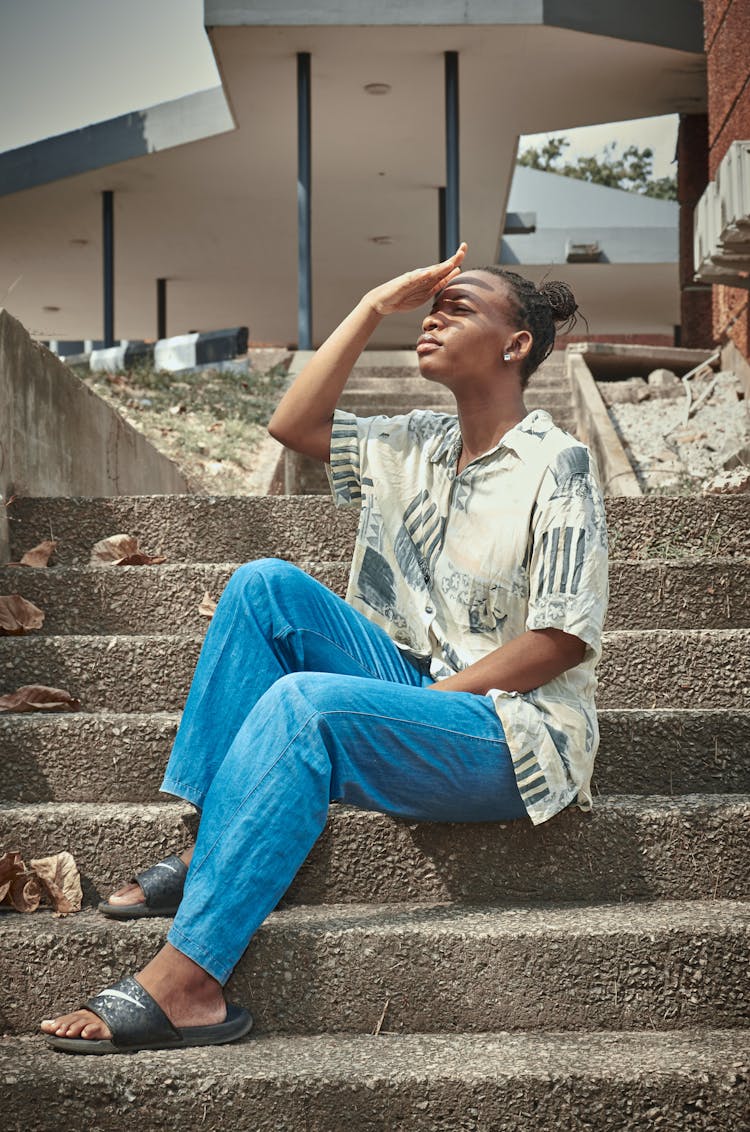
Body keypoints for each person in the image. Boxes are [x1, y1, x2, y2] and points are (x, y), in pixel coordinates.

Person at [41, 243, 608, 1053]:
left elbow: (558, 639)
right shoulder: (417, 443)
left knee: (306, 704)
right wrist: (375, 304)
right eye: (430, 307)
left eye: (461, 307)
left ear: (517, 346)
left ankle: (188, 984)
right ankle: (211, 849)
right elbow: (292, 425)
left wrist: (423, 706)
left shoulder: (559, 462)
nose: (435, 316)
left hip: (514, 731)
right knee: (263, 583)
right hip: (418, 675)